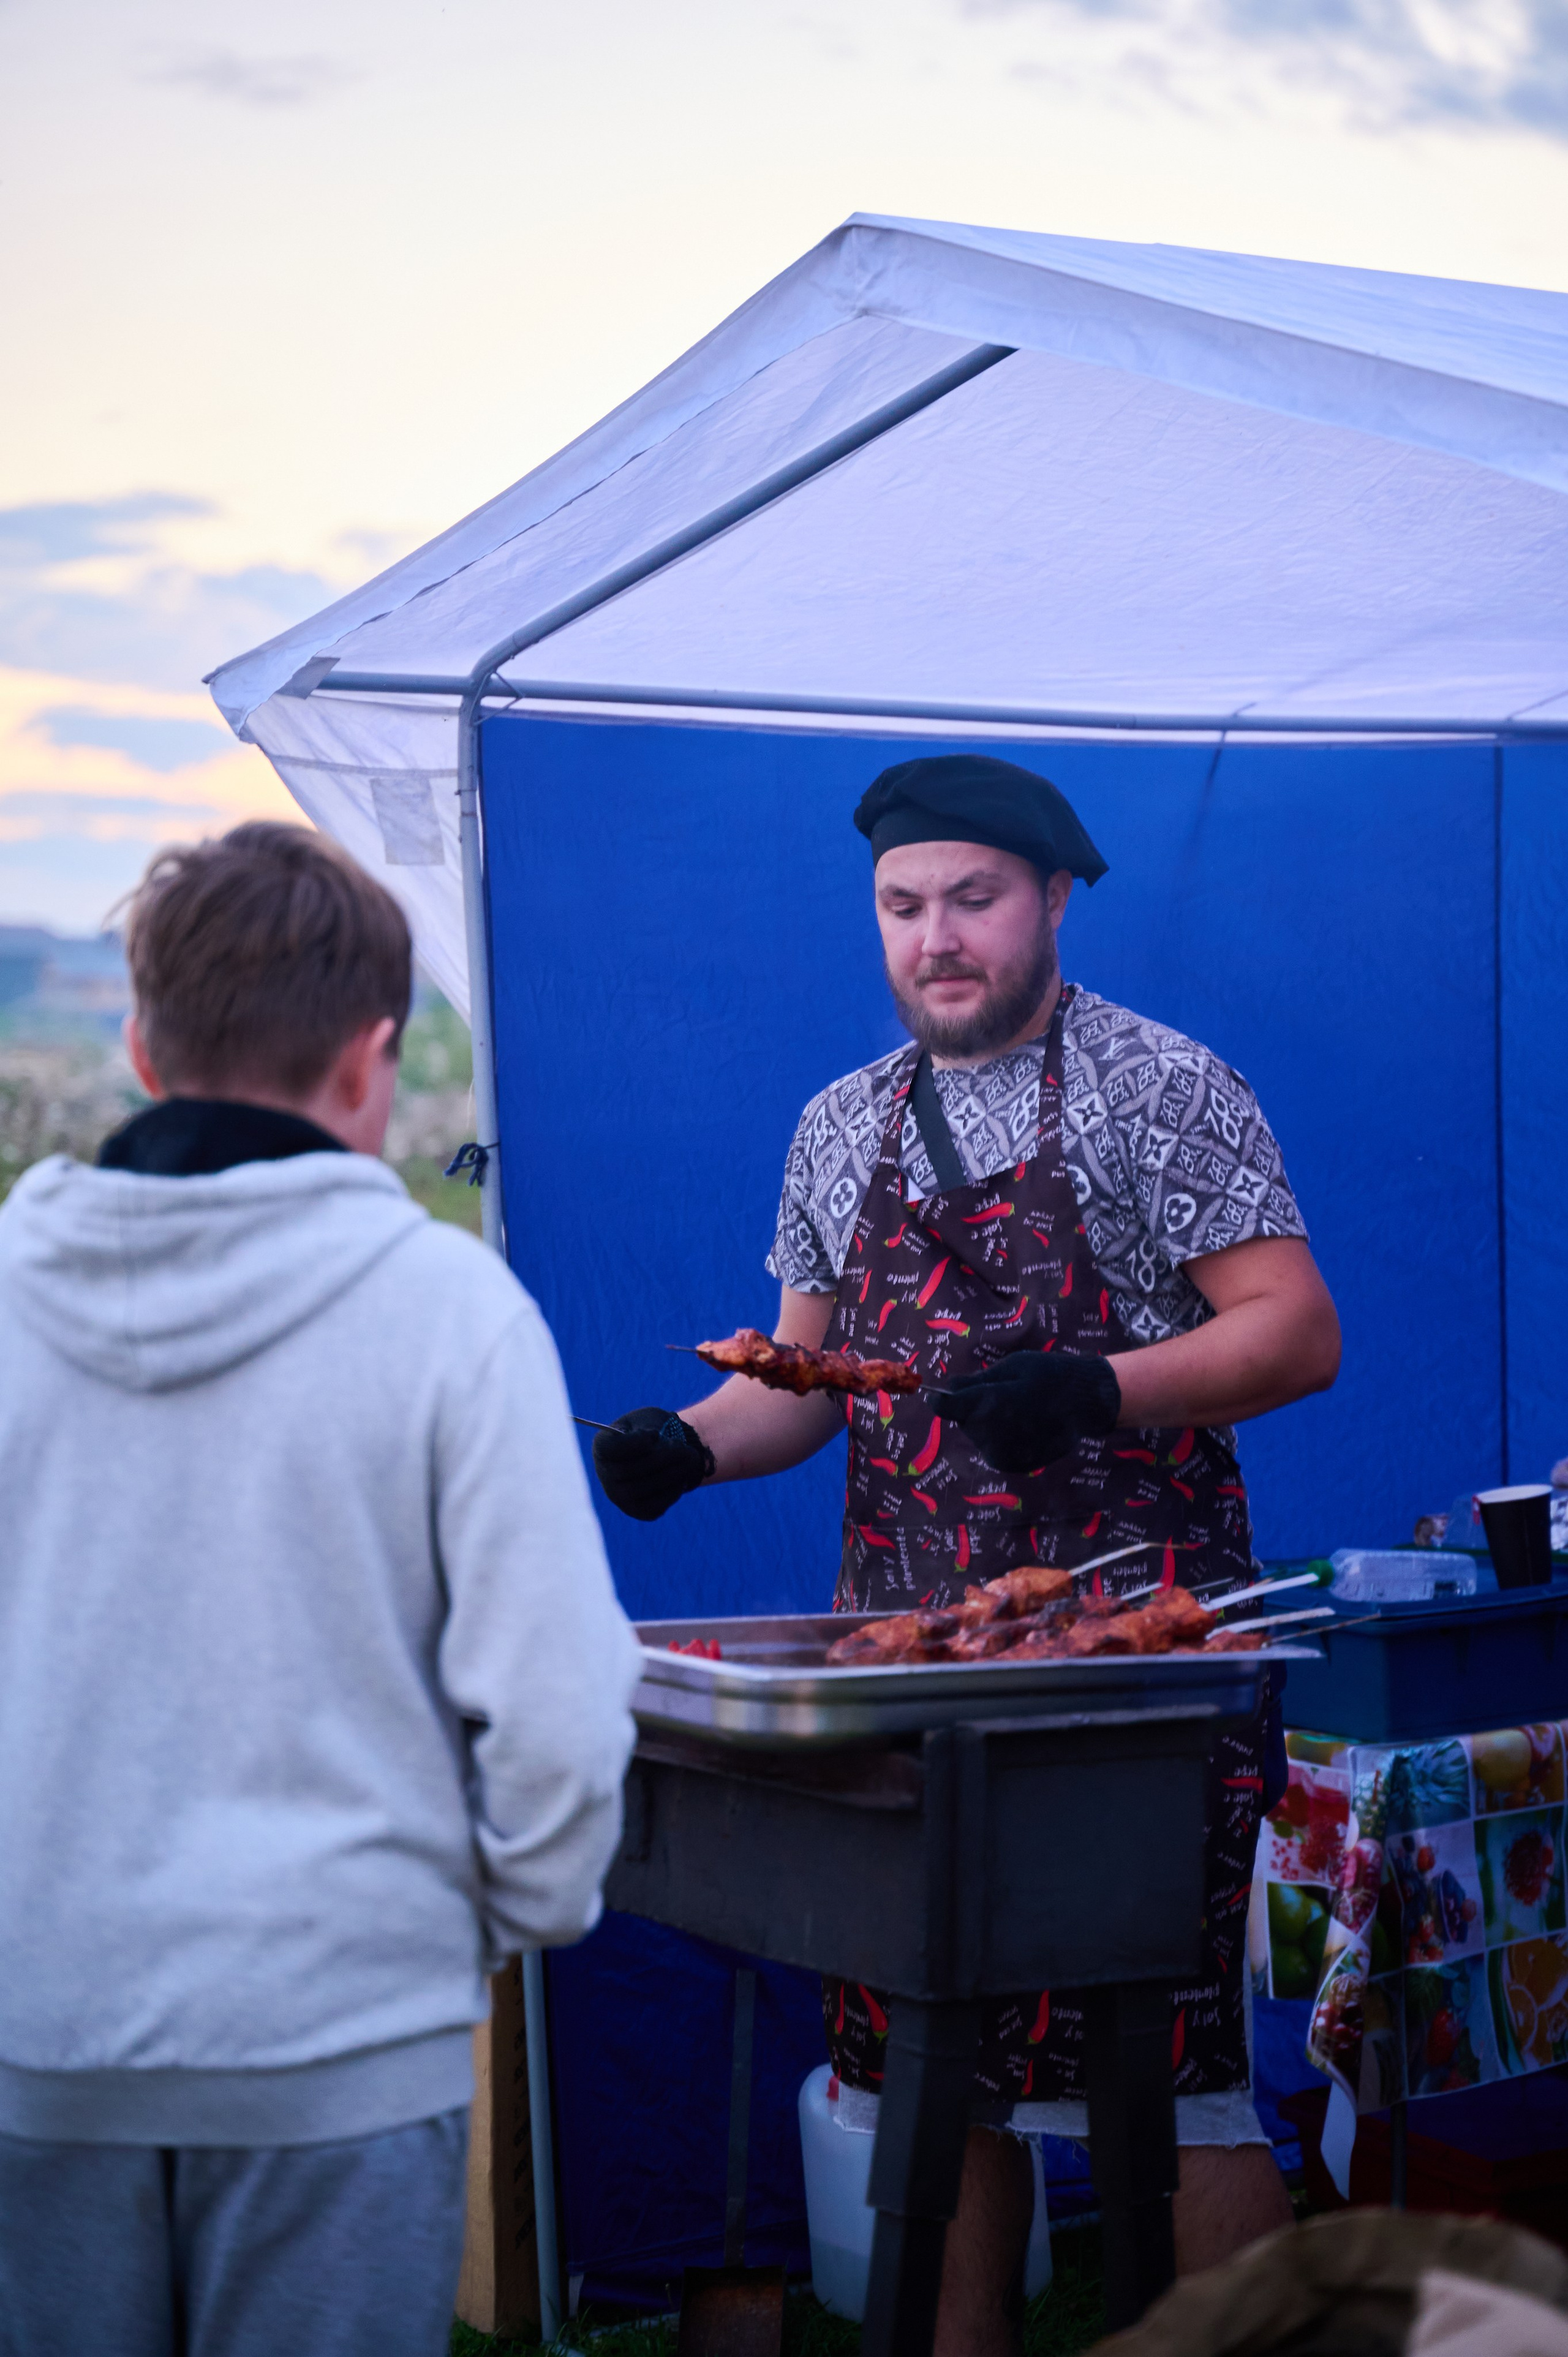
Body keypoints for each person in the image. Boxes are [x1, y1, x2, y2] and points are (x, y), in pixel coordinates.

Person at [593, 754, 1341, 2353]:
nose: (935, 937)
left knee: (1177, 2074)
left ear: (1054, 897)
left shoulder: (1162, 1086)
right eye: (903, 905)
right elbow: (801, 1379)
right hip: (912, 1680)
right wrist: (692, 1443)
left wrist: (1099, 1388)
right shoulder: (837, 1127)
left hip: (1134, 1677)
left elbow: (1294, 1331)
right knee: (927, 2066)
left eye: (972, 899)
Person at [0, 823, 641, 2357]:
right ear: (372, 1062)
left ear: (143, 1048)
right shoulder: (453, 1316)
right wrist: (490, 1925)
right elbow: (559, 1708)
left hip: (41, 2031)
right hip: (347, 2033)